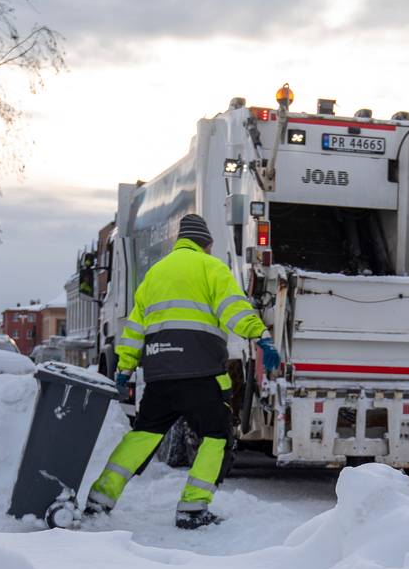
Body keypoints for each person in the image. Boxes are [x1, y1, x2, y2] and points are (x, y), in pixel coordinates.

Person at [86, 214, 281, 529]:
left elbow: (135, 328)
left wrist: (123, 368)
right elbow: (233, 308)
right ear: (207, 243)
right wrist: (260, 336)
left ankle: (99, 500)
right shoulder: (211, 267)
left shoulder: (155, 274)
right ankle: (192, 509)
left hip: (160, 375)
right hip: (201, 373)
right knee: (216, 437)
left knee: (142, 436)